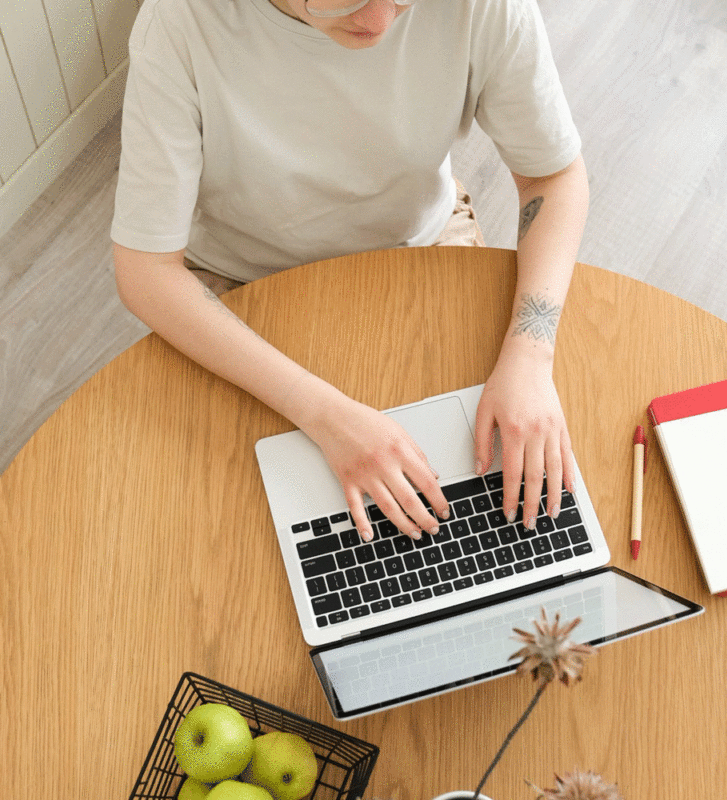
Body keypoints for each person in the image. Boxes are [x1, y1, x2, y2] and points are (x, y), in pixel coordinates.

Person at [111, 0, 590, 545]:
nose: (380, 22)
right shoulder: (179, 23)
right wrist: (324, 413)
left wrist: (531, 354)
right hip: (244, 278)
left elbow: (552, 176)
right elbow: (146, 271)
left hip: (423, 244)